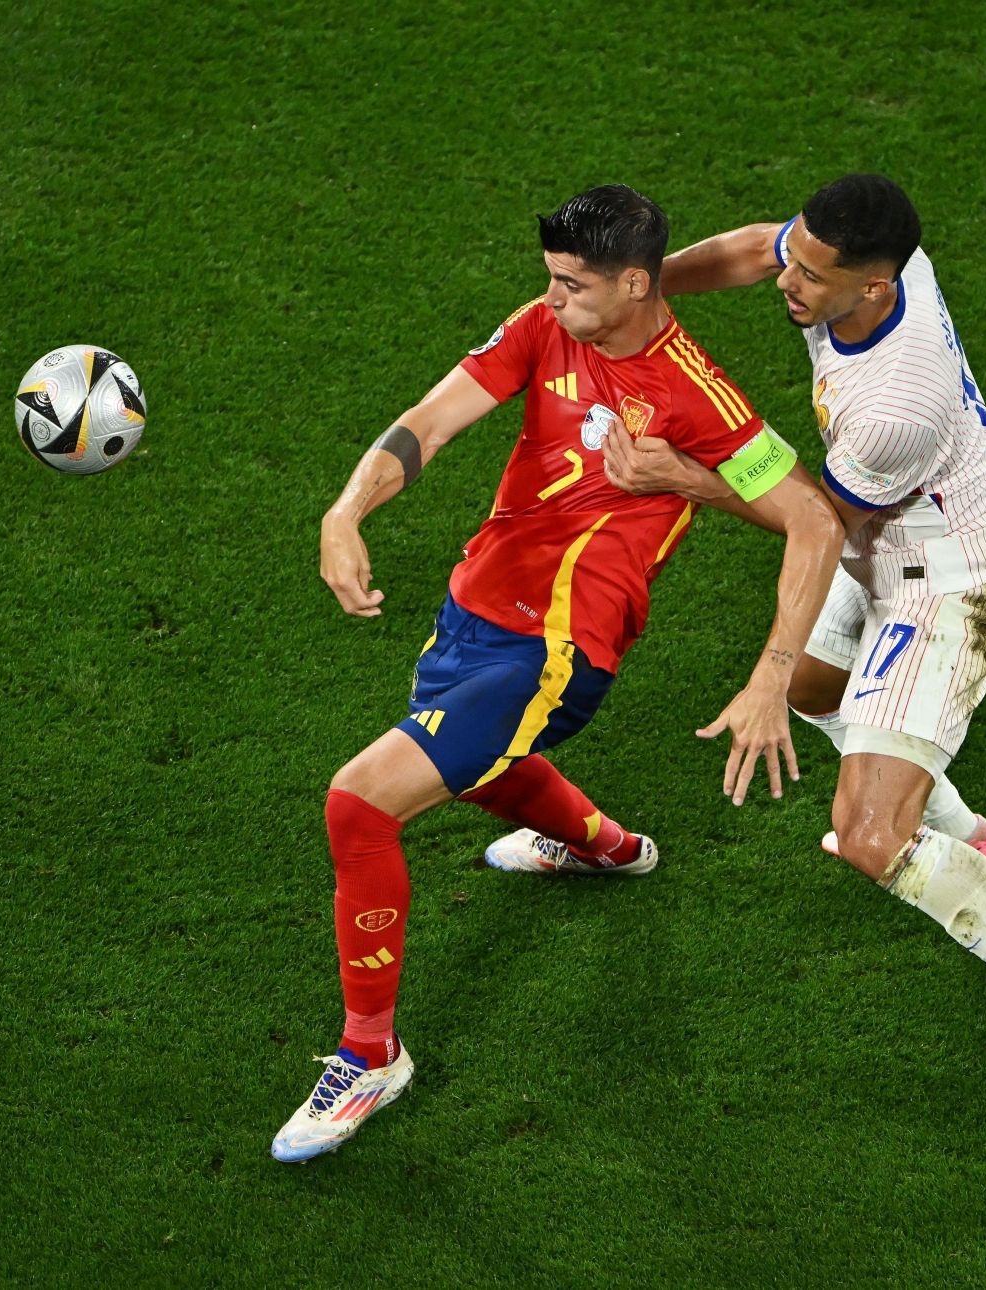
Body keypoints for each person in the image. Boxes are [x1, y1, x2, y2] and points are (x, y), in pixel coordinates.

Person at [271, 185, 844, 1162]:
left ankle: (370, 1055)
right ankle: (608, 848)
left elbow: (814, 518)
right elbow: (432, 420)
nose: (554, 300)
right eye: (550, 280)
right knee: (485, 765)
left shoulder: (698, 398)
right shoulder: (546, 326)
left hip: (559, 651)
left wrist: (769, 671)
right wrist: (344, 511)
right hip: (477, 607)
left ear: (634, 283)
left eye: (572, 286)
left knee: (360, 807)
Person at [595, 174, 986, 1137]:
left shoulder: (894, 406)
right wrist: (646, 290)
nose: (787, 285)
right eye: (796, 261)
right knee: (820, 681)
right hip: (893, 536)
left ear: (877, 287)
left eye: (812, 277)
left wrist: (685, 475)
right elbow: (754, 247)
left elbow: (814, 519)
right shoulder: (865, 263)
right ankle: (961, 829)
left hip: (950, 579)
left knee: (867, 838)